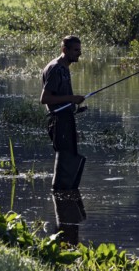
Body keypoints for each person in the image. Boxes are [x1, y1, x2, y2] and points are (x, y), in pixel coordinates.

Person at [41, 35, 86, 191]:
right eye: (75, 50)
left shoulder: (64, 68)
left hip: (66, 120)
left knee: (69, 157)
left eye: (79, 50)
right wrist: (72, 98)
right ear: (64, 50)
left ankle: (65, 200)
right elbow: (45, 99)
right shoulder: (56, 68)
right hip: (59, 121)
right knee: (65, 160)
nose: (79, 53)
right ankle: (60, 194)